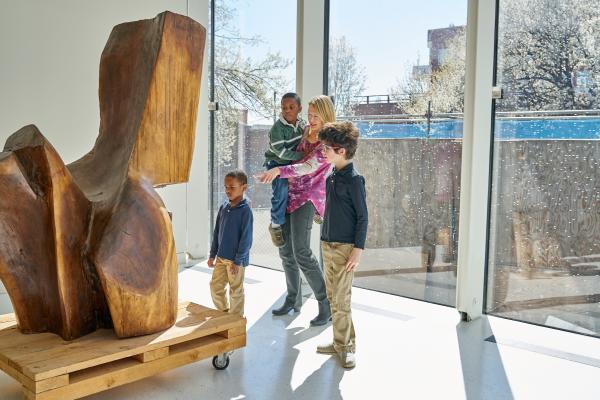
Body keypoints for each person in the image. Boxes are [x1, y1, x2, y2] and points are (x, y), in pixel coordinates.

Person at [256, 95, 335, 326]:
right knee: (286, 251)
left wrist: (279, 171)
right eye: (309, 115)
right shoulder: (305, 131)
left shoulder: (328, 142)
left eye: (315, 116)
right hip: (291, 193)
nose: (310, 119)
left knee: (301, 251)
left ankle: (325, 304)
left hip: (308, 197)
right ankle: (293, 299)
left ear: (326, 116)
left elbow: (308, 166)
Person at [317, 121, 368, 369]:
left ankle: (347, 347)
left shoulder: (355, 181)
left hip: (346, 249)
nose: (323, 151)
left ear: (342, 151)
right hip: (327, 245)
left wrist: (357, 249)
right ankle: (339, 342)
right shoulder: (332, 177)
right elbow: (335, 210)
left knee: (341, 299)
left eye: (327, 147)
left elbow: (362, 217)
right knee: (332, 298)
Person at [208, 170, 253, 317]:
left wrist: (238, 260)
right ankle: (224, 314)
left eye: (232, 187)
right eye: (226, 187)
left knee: (236, 291)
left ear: (243, 188)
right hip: (221, 258)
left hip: (236, 261)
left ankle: (236, 320)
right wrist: (212, 254)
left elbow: (246, 239)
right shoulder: (223, 207)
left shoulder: (245, 211)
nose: (228, 190)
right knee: (215, 287)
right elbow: (216, 233)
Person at [264, 93, 306, 248]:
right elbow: (280, 152)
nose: (286, 110)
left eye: (291, 107)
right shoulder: (277, 128)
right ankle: (275, 224)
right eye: (283, 107)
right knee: (281, 190)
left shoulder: (302, 124)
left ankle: (317, 210)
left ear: (299, 109)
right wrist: (300, 155)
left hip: (291, 161)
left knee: (308, 182)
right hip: (276, 162)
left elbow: (306, 138)